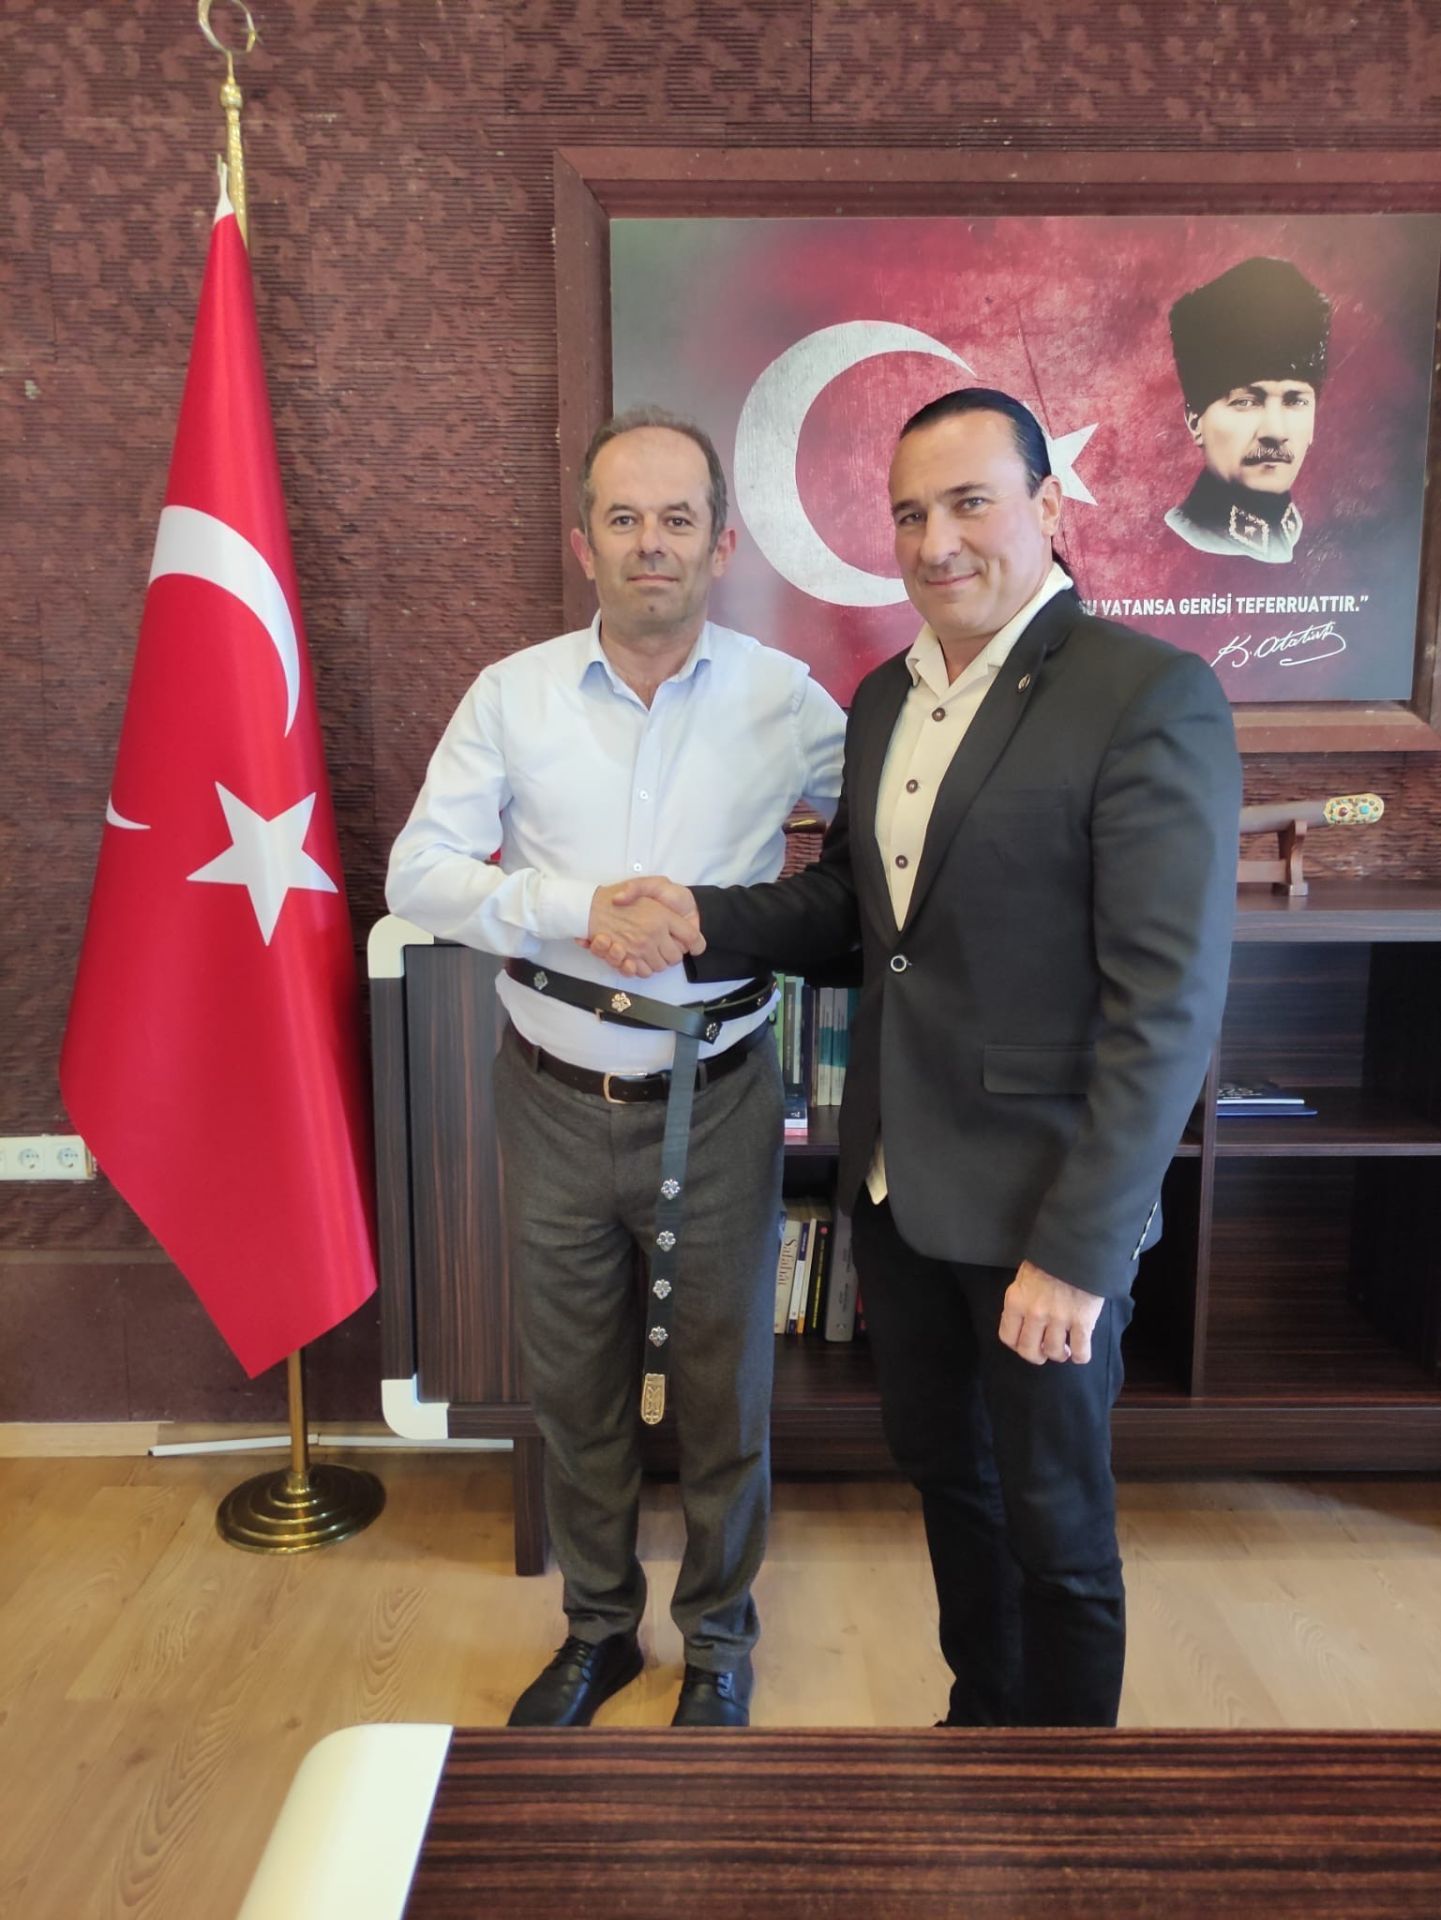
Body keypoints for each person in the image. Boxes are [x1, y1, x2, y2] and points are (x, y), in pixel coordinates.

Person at [598, 388, 1241, 1727]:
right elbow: (859, 915)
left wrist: (1078, 1251)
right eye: (908, 514)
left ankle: (1067, 1790)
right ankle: (982, 1725)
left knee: (1056, 1519)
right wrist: (704, 917)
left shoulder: (1143, 694)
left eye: (967, 503)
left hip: (1042, 1207)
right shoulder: (887, 696)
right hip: (898, 1186)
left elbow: (1165, 1007)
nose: (935, 541)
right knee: (948, 1477)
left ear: (1046, 508)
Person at [386, 407, 844, 1728]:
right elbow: (417, 873)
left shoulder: (787, 698)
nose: (653, 543)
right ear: (582, 543)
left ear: (722, 544)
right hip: (549, 1095)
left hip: (721, 1095)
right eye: (624, 518)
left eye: (678, 519)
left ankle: (718, 1644)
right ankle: (599, 1633)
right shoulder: (511, 693)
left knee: (723, 1396)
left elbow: (890, 829)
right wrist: (571, 907)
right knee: (574, 1391)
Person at [1164, 255, 1331, 564]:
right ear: (1195, 421)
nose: (1275, 432)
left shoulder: (1305, 538)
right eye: (1246, 402)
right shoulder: (1176, 547)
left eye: (1295, 401)